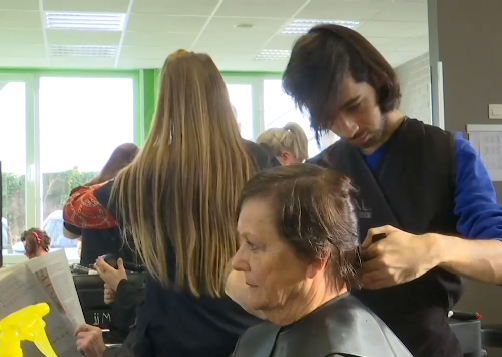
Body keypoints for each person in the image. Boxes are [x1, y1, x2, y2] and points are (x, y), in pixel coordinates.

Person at [282, 24, 502, 357]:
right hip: (337, 346)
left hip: (427, 345)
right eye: (329, 118)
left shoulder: (447, 155)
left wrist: (432, 249)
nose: (347, 128)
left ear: (378, 79)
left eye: (354, 105)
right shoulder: (317, 173)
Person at [63, 49, 279, 357]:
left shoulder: (144, 174)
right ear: (220, 96)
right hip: (248, 333)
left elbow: (74, 212)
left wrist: (111, 178)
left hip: (170, 338)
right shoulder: (260, 160)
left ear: (166, 104)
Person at [231, 164, 413, 357]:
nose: (237, 262)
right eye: (242, 242)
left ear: (316, 259)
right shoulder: (263, 335)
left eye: (253, 245)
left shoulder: (342, 350)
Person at [63, 143, 140, 265]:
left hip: (91, 270)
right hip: (127, 271)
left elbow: (69, 234)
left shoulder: (86, 193)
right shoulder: (136, 196)